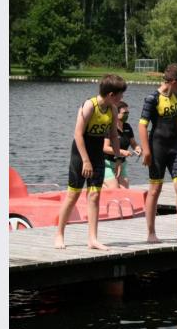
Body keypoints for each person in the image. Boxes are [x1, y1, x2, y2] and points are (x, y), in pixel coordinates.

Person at [54, 74, 126, 249]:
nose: (122, 98)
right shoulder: (89, 106)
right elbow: (77, 134)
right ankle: (59, 234)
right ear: (110, 94)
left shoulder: (113, 109)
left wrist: (117, 158)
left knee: (94, 195)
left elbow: (114, 136)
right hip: (80, 154)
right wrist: (85, 161)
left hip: (97, 154)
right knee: (73, 195)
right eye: (120, 95)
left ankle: (92, 239)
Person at [139, 63, 177, 244]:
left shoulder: (176, 96)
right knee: (155, 190)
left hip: (175, 147)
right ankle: (151, 233)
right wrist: (146, 151)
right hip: (157, 148)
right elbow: (142, 125)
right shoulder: (152, 98)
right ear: (172, 81)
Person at [103, 101, 142, 189]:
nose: (127, 115)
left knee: (124, 190)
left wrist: (138, 148)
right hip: (107, 164)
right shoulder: (109, 127)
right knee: (114, 188)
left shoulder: (127, 127)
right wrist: (121, 152)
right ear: (116, 113)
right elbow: (105, 148)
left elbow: (133, 143)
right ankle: (101, 186)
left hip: (122, 164)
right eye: (124, 113)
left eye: (128, 113)